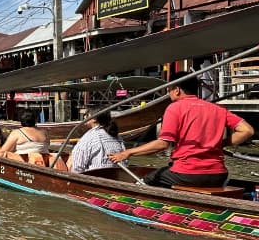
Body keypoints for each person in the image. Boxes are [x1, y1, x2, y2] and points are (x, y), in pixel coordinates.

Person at [108, 71, 255, 188]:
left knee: (150, 178)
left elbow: (162, 144)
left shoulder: (175, 108)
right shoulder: (217, 109)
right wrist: (222, 143)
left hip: (188, 174)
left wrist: (128, 152)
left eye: (169, 90)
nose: (168, 94)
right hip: (219, 174)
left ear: (177, 90)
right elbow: (247, 131)